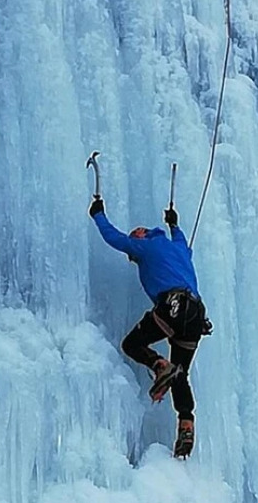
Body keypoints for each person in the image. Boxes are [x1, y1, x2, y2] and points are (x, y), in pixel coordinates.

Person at [89, 196, 208, 458]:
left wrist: (98, 214)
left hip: (173, 307)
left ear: (141, 235)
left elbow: (115, 238)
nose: (133, 255)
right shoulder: (178, 248)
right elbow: (180, 240)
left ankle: (159, 366)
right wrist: (174, 224)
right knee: (181, 375)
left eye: (135, 244)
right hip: (196, 316)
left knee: (132, 344)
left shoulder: (146, 246)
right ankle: (186, 423)